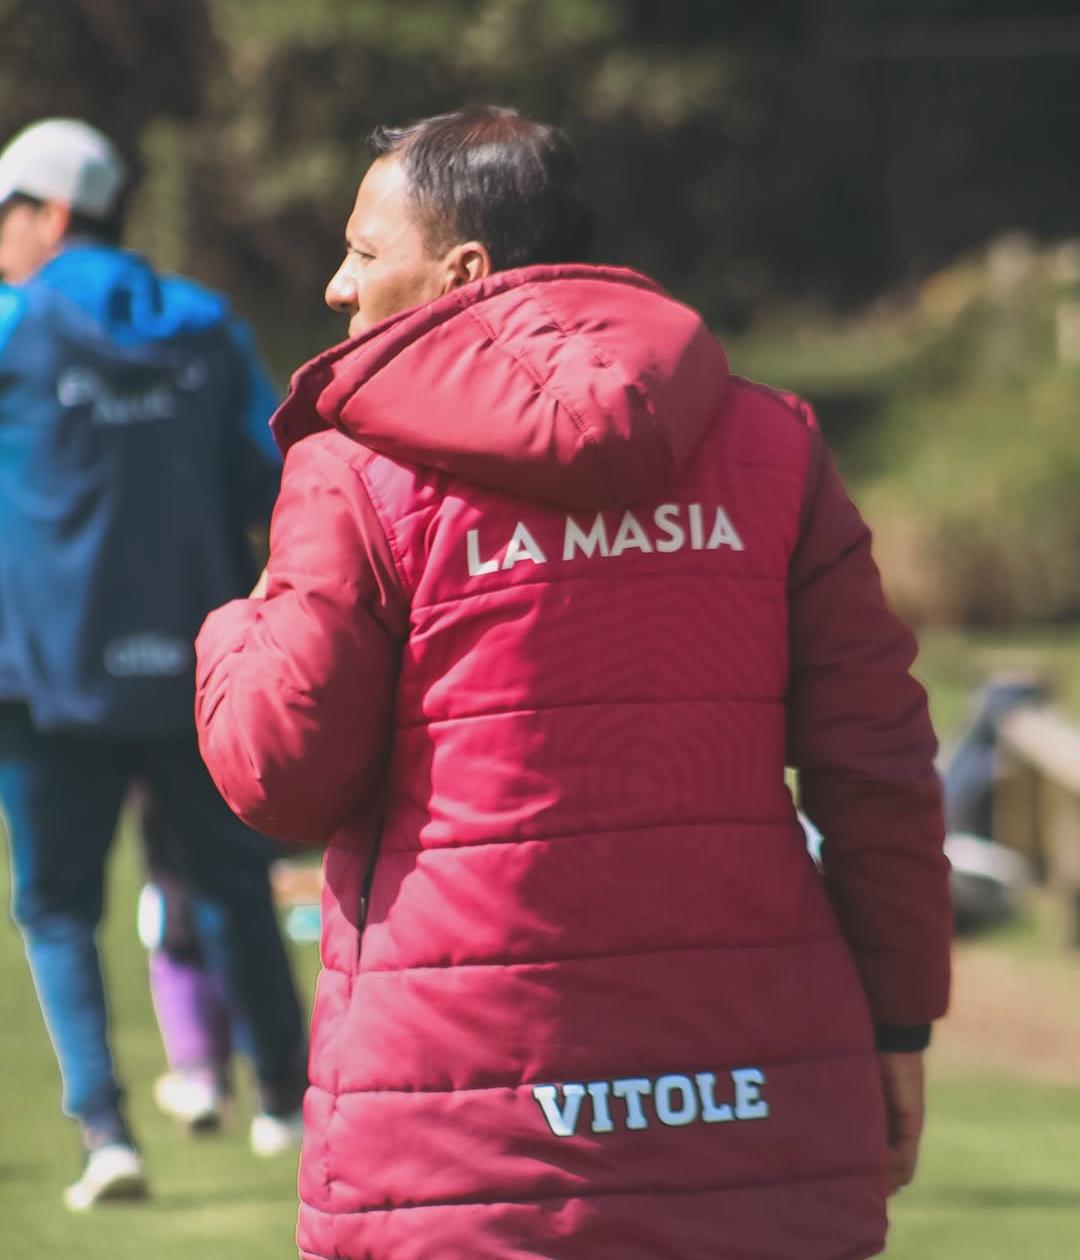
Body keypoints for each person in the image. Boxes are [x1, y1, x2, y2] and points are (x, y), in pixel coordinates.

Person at [194, 107, 952, 1260]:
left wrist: (227, 630)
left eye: (362, 250)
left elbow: (277, 770)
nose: (339, 288)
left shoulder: (353, 470)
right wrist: (898, 1023)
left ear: (464, 272)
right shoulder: (775, 445)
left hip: (459, 1149)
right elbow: (880, 770)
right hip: (754, 1117)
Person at [0, 118, 308, 1210]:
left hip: (39, 681)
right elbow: (271, 484)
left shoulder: (9, 325)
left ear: (44, 215)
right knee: (229, 884)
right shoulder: (205, 323)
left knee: (57, 911)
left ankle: (109, 1137)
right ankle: (288, 1102)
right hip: (198, 669)